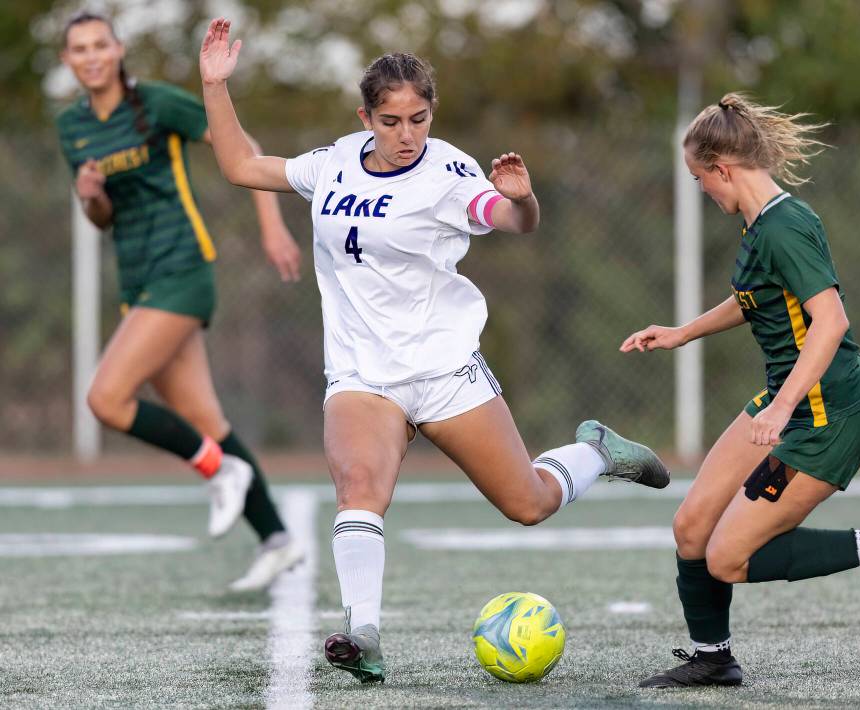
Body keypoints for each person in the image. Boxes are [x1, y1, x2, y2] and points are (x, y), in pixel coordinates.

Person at [198, 18, 670, 683]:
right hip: (364, 376)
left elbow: (512, 221)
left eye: (418, 118)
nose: (406, 134)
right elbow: (241, 165)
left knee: (527, 504)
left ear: (431, 113)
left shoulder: (449, 172)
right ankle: (363, 633)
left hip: (444, 372)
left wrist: (524, 198)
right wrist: (216, 86)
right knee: (359, 487)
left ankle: (597, 451)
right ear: (366, 116)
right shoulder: (333, 162)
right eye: (390, 121)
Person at [622, 93, 860, 688]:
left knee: (727, 557)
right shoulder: (762, 225)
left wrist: (783, 407)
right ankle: (713, 658)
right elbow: (752, 297)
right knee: (692, 527)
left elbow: (830, 321)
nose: (702, 189)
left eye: (699, 178)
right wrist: (684, 332)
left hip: (827, 415)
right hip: (789, 399)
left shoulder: (784, 227)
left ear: (723, 169)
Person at [56, 11, 304, 591]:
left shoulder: (156, 104)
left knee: (105, 398)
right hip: (137, 281)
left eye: (100, 44)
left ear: (117, 50)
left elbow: (245, 146)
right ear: (68, 61)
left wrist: (271, 225)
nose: (91, 56)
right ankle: (277, 538)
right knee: (205, 419)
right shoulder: (71, 126)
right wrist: (89, 196)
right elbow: (101, 218)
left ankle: (221, 472)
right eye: (78, 49)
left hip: (183, 269)